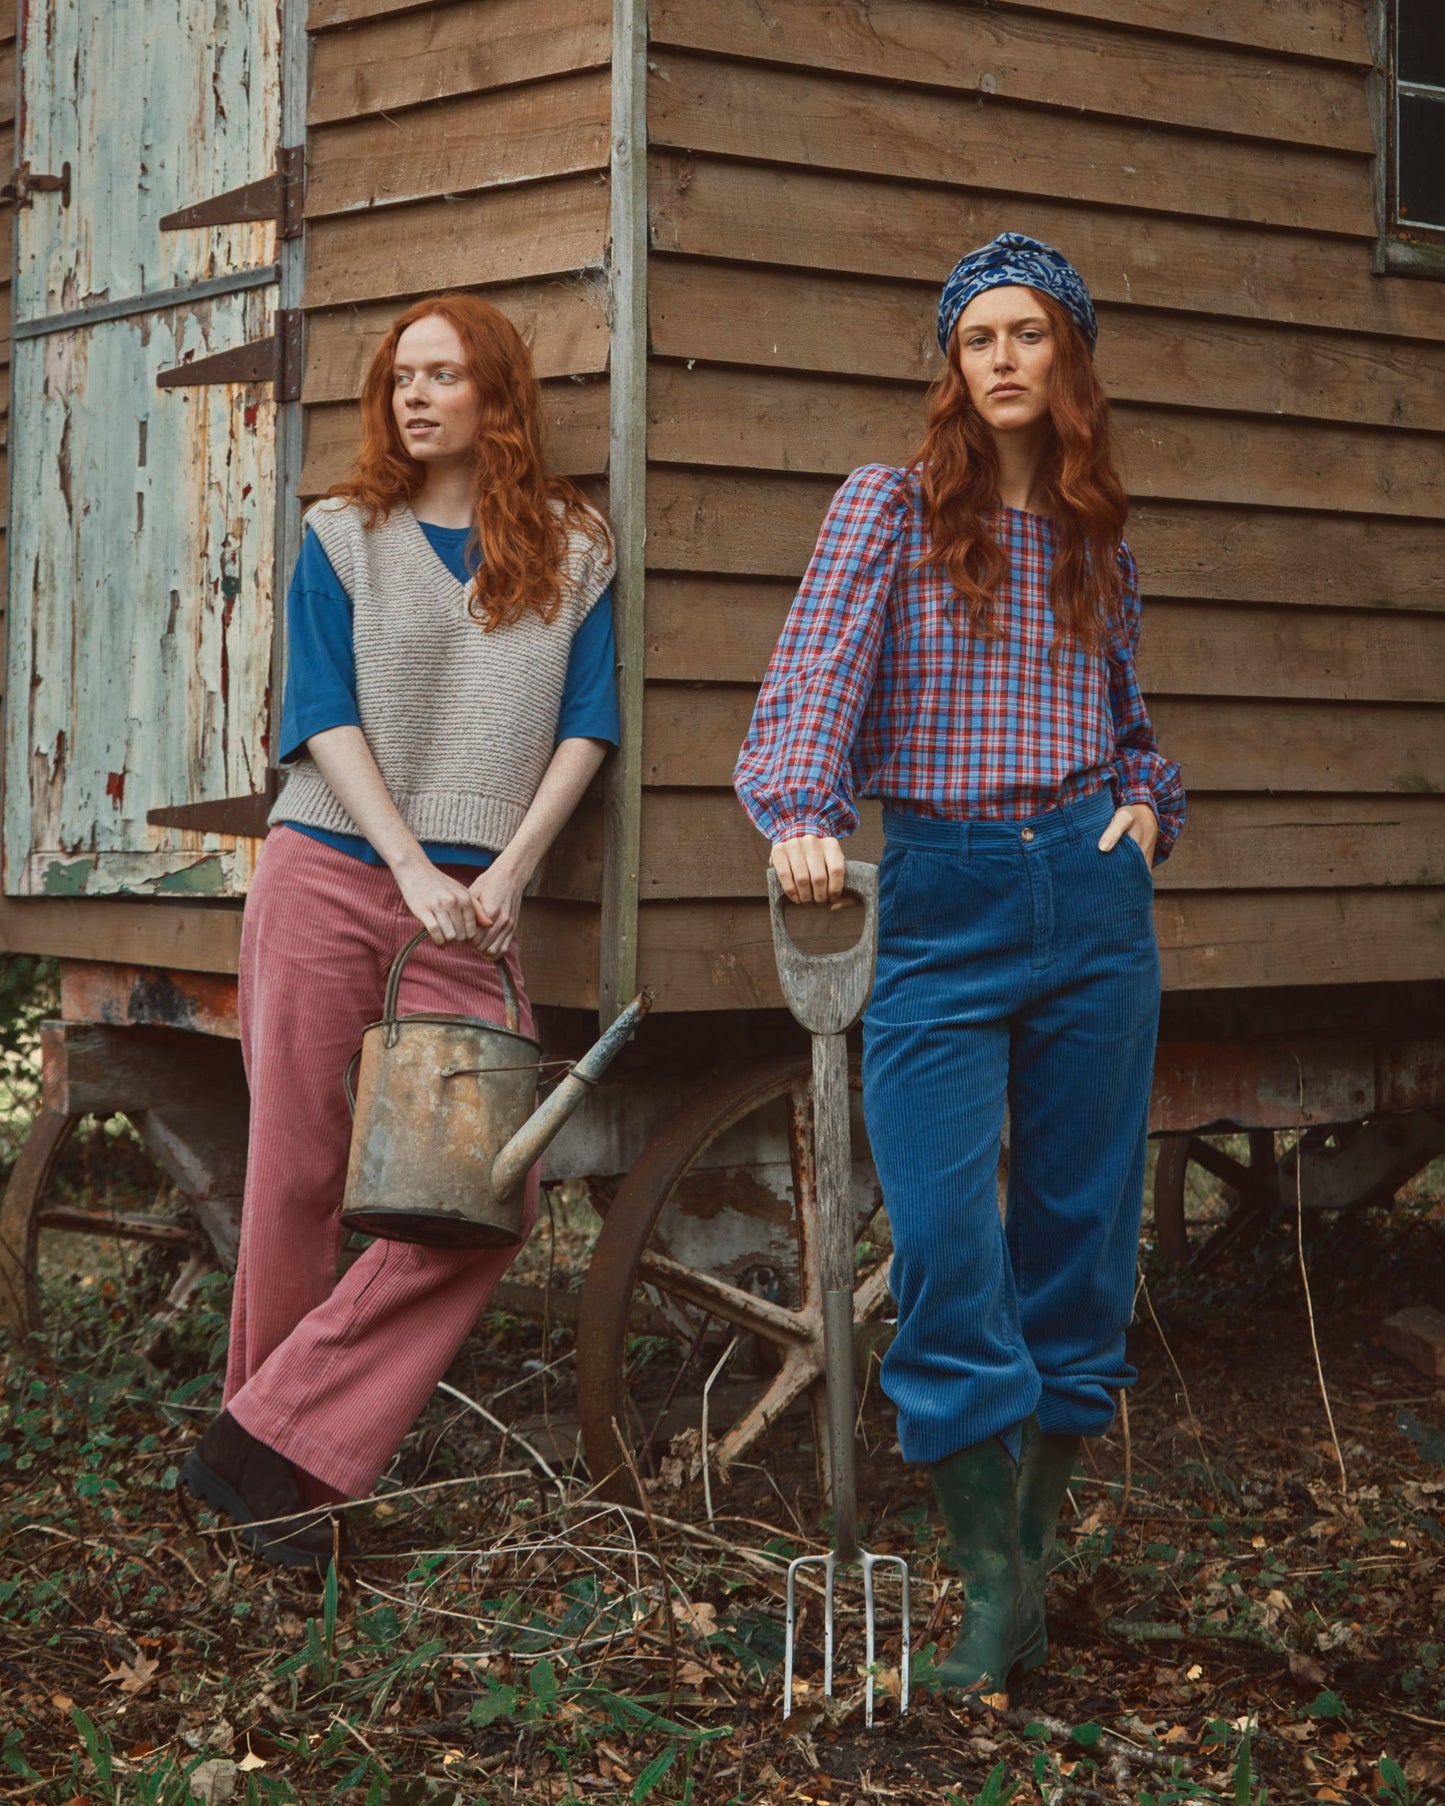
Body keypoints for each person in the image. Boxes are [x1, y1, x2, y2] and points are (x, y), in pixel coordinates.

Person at [734, 234, 1184, 1703]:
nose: (1000, 357)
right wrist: (802, 815)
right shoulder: (889, 508)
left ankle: (1009, 1595)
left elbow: (1131, 728)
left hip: (1091, 904)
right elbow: (810, 684)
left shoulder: (1098, 536)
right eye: (976, 337)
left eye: (1026, 333)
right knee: (938, 1239)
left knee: (1079, 1243)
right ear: (952, 365)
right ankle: (995, 1574)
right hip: (941, 896)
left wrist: (1144, 806)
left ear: (1068, 359)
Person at [181, 293, 617, 1569]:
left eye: (443, 374)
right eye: (401, 377)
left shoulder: (574, 550)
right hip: (328, 872)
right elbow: (320, 712)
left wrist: (511, 871)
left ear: (497, 395)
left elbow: (588, 723)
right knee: (298, 1176)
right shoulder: (343, 534)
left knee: (491, 1188)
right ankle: (282, 1500)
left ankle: (262, 1440)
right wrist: (410, 863)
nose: (415, 396)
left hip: (474, 912)